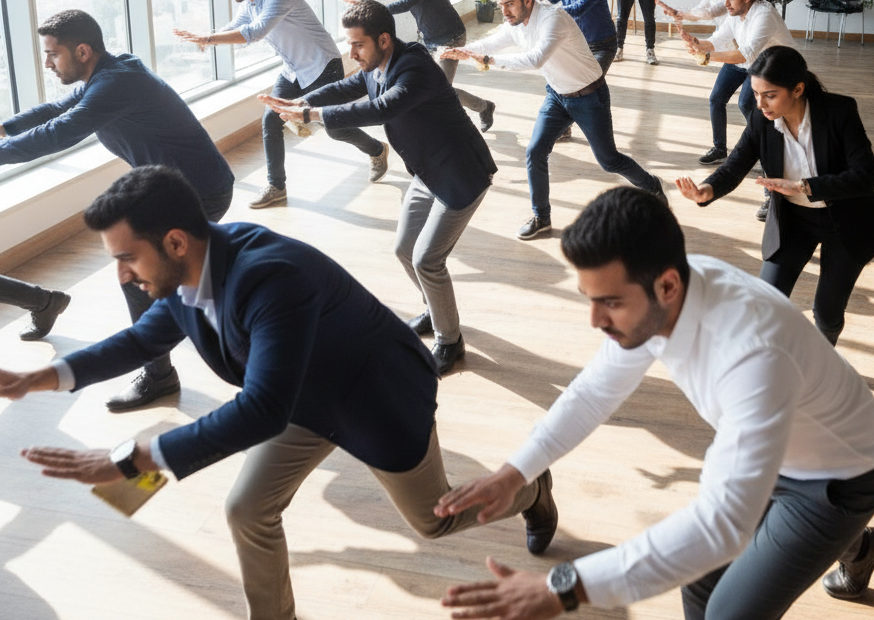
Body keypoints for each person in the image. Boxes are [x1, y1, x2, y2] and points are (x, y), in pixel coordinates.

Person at [0, 166, 558, 620]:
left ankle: (532, 491)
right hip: (297, 393)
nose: (121, 274)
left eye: (126, 257)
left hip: (373, 393)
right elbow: (143, 337)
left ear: (174, 241)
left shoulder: (271, 277)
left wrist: (130, 461)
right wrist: (39, 378)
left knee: (432, 521)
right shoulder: (185, 271)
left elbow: (261, 410)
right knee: (247, 508)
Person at [436, 187, 874, 620]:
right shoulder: (661, 294)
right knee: (698, 585)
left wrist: (565, 587)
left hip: (836, 478)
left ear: (668, 287)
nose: (596, 320)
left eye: (610, 302)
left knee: (726, 614)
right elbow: (595, 391)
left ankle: (849, 539)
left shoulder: (753, 355)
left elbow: (720, 526)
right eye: (590, 299)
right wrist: (513, 473)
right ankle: (859, 548)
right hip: (781, 447)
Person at [0, 9, 234, 412]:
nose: (47, 63)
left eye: (53, 54)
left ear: (83, 50)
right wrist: (4, 129)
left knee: (138, 277)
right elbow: (54, 112)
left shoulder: (116, 83)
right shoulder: (107, 74)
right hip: (182, 190)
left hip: (198, 193)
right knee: (161, 276)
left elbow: (60, 132)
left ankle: (163, 374)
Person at [260, 0, 495, 375]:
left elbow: (379, 109)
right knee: (405, 249)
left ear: (384, 39)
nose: (351, 54)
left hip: (459, 174)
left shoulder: (414, 68)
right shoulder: (375, 65)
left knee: (427, 259)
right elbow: (347, 86)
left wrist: (310, 115)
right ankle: (437, 312)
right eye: (349, 44)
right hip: (426, 172)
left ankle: (451, 341)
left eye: (358, 45)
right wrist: (301, 100)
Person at [676, 46, 874, 345]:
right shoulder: (760, 119)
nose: (761, 103)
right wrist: (707, 190)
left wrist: (805, 187)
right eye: (755, 93)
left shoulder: (839, 112)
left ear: (798, 89)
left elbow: (867, 177)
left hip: (844, 219)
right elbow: (736, 163)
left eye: (770, 94)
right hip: (795, 220)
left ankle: (823, 360)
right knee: (767, 304)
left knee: (826, 312)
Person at [441, 0, 666, 241]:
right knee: (535, 152)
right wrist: (463, 52)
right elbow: (493, 41)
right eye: (500, 5)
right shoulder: (514, 23)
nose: (504, 11)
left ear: (527, 0)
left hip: (588, 96)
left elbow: (535, 59)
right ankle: (542, 217)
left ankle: (652, 186)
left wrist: (488, 59)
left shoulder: (553, 19)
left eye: (509, 4)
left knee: (608, 160)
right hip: (558, 96)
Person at [174, 0, 387, 208]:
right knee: (270, 120)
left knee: (333, 126)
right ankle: (277, 186)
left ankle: (376, 150)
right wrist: (208, 36)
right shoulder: (250, 2)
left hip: (322, 66)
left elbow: (254, 32)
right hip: (293, 70)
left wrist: (209, 40)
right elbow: (237, 25)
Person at [337, 0, 495, 131]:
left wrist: (371, 10)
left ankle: (483, 107)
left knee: (441, 89)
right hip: (428, 39)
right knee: (428, 84)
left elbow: (407, 3)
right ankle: (479, 107)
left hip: (450, 38)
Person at [677, 0, 795, 220]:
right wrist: (698, 44)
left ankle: (771, 187)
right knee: (735, 107)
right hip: (756, 69)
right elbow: (718, 40)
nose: (725, 4)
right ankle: (748, 152)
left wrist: (706, 56)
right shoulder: (736, 14)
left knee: (753, 112)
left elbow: (746, 53)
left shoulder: (764, 14)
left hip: (781, 75)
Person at [656, 0, 733, 165]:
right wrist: (679, 16)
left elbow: (710, 13)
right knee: (717, 100)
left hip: (748, 55)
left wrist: (679, 13)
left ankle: (763, 152)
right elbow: (700, 10)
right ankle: (720, 149)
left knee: (748, 106)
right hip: (731, 55)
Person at [541, 0, 618, 143]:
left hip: (603, 45)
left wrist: (549, 12)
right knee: (565, 83)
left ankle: (600, 133)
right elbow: (546, 1)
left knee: (587, 85)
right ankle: (565, 127)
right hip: (578, 45)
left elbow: (578, 9)